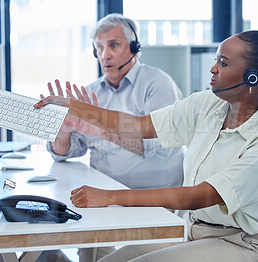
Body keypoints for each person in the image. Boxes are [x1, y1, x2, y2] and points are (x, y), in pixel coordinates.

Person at [35, 21, 258, 262]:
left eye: (222, 63)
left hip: (237, 243)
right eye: (215, 60)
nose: (212, 69)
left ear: (252, 77)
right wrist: (75, 106)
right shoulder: (205, 105)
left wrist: (110, 196)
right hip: (192, 228)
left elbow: (198, 196)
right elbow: (137, 126)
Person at [39, 13, 184, 262]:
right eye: (99, 47)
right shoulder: (92, 92)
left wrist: (99, 130)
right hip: (103, 199)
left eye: (113, 45)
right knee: (57, 243)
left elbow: (152, 148)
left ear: (135, 48)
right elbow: (63, 153)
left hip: (151, 200)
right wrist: (62, 131)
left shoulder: (158, 85)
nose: (104, 55)